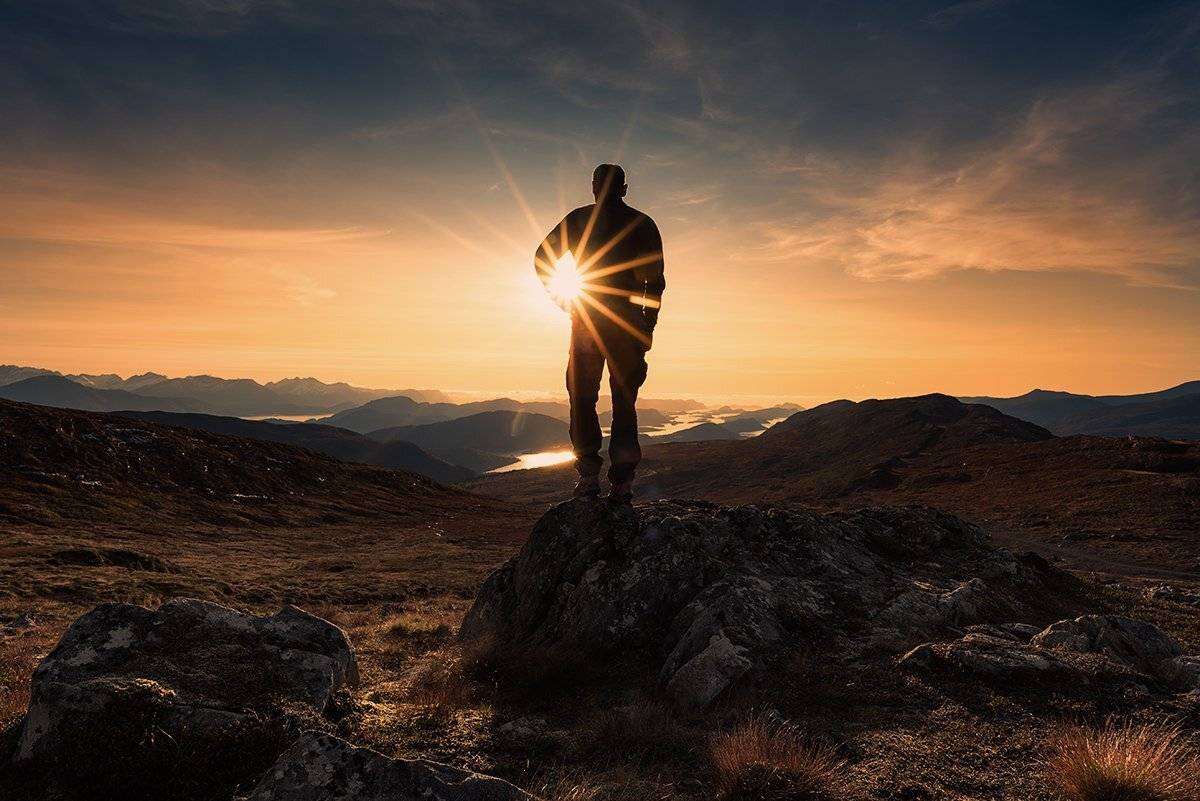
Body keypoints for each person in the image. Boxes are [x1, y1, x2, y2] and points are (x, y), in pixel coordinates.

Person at [533, 164, 665, 503]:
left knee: (582, 396)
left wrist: (562, 299)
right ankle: (621, 482)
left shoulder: (579, 220)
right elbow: (654, 283)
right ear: (625, 188)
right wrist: (646, 326)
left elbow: (542, 258)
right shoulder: (642, 224)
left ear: (593, 187)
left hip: (587, 321)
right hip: (626, 327)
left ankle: (589, 476)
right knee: (623, 402)